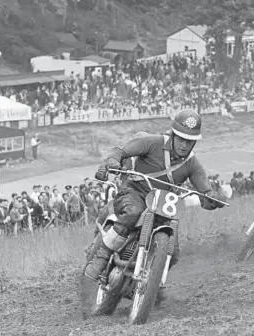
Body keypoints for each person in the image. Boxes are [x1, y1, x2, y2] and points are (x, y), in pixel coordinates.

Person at [82, 109, 226, 296]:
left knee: (172, 252)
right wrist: (112, 162)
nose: (184, 145)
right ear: (173, 134)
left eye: (189, 141)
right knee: (133, 212)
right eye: (181, 138)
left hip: (162, 207)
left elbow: (205, 194)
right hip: (133, 193)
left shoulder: (193, 164)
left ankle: (152, 282)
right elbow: (120, 151)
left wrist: (214, 199)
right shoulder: (152, 142)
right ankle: (101, 258)